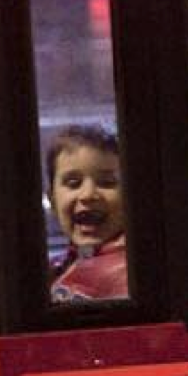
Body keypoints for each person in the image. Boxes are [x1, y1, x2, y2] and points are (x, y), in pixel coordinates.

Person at [45, 124, 128, 301]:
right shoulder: (60, 265)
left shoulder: (129, 273)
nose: (88, 194)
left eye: (106, 183)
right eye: (73, 183)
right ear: (52, 200)